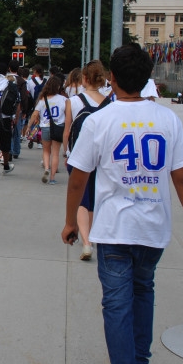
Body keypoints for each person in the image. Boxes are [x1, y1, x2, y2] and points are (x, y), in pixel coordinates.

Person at [62, 44, 183, 364]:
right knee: (144, 292)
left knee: (116, 304)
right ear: (148, 79)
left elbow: (77, 180)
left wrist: (71, 222)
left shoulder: (100, 121)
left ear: (111, 79)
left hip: (114, 229)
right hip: (153, 228)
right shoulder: (167, 119)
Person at [62, 60, 109, 261]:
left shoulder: (73, 101)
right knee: (94, 199)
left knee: (81, 198)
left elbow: (67, 131)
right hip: (103, 158)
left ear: (84, 78)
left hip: (79, 156)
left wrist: (67, 152)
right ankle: (92, 235)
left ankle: (87, 243)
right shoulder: (110, 102)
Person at [26, 75, 66, 184]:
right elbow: (67, 115)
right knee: (56, 153)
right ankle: (52, 178)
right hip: (58, 128)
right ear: (58, 87)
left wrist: (29, 127)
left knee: (46, 151)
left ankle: (47, 168)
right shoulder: (64, 99)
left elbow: (35, 114)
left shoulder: (43, 100)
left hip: (45, 127)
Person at [8, 60, 27, 160]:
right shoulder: (21, 81)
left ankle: (9, 150)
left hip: (6, 109)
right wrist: (24, 111)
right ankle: (16, 150)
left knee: (8, 130)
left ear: (9, 68)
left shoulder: (6, 79)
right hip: (17, 109)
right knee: (16, 130)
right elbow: (24, 97)